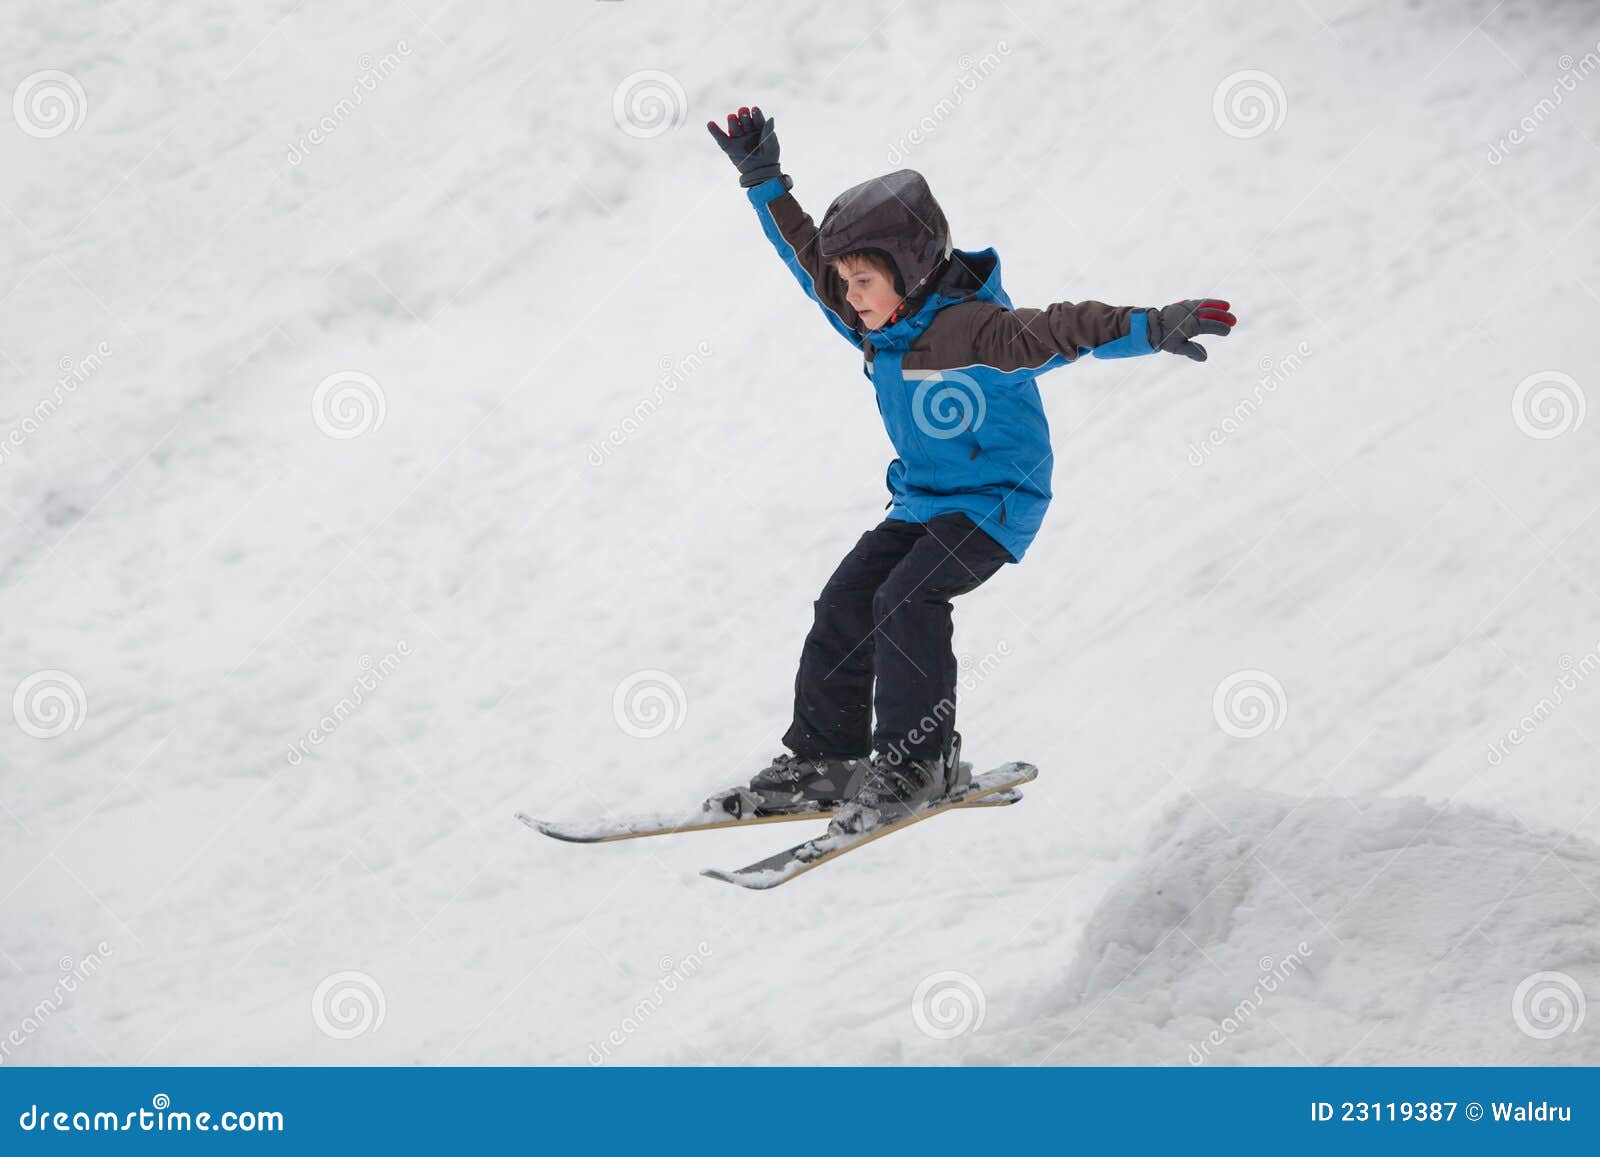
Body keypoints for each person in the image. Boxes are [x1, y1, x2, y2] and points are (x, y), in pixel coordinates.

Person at [708, 105, 1236, 833]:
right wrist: (764, 181)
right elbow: (804, 256)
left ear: (913, 270)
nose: (850, 297)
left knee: (907, 600)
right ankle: (824, 762)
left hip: (997, 500)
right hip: (923, 501)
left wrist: (1150, 325)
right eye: (846, 281)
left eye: (864, 280)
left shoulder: (970, 328)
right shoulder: (873, 317)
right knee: (845, 601)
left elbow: (1060, 328)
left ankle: (917, 762)